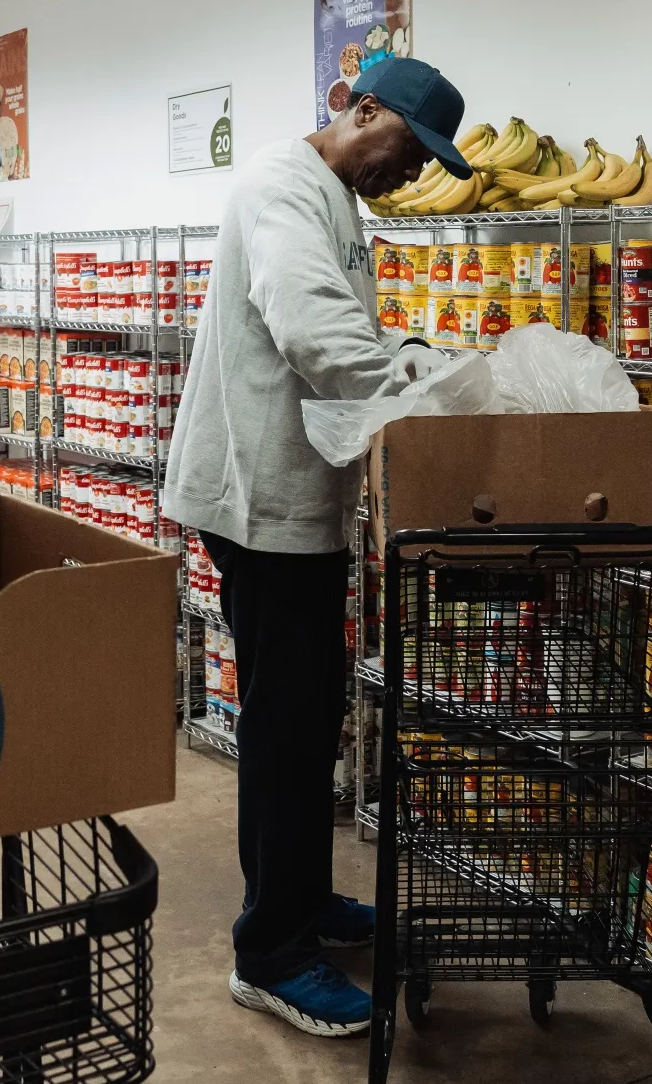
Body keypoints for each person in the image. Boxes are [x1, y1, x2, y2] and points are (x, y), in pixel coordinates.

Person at [162, 56, 471, 1037]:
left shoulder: (331, 198)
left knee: (302, 711)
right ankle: (271, 951)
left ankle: (295, 896)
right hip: (261, 500)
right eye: (405, 147)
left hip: (297, 500)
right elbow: (314, 330)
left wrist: (411, 371)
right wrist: (423, 400)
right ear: (359, 107)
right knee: (289, 721)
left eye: (424, 160)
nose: (406, 171)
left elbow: (344, 337)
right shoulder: (280, 186)